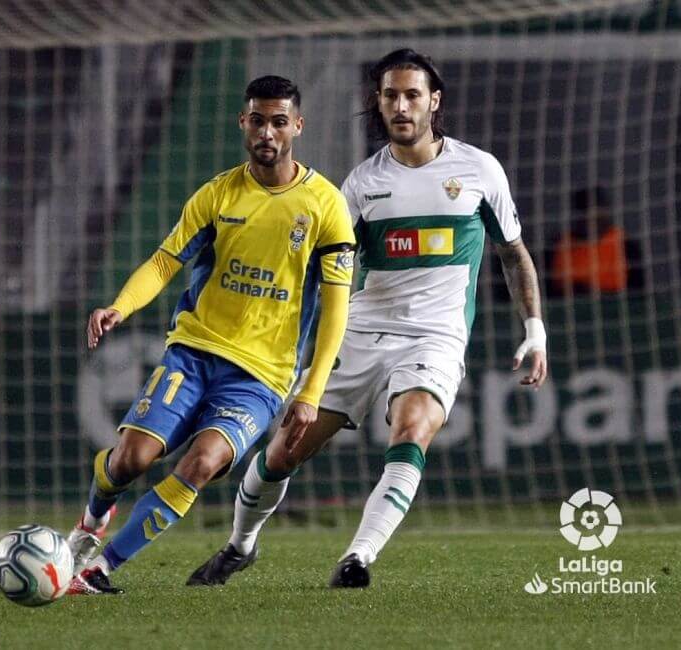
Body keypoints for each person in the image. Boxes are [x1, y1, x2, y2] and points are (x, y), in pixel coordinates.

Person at [187, 49, 549, 589]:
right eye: (389, 96)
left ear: (434, 101)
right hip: (360, 332)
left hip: (435, 336)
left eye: (411, 95)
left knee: (413, 428)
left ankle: (357, 559)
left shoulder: (478, 170)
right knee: (283, 452)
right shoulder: (359, 185)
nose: (400, 106)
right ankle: (240, 547)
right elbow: (324, 271)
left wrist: (535, 330)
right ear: (377, 103)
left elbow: (513, 253)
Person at [66, 75, 356, 595]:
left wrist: (310, 392)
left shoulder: (326, 206)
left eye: (279, 122)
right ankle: (90, 522)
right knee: (131, 460)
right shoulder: (218, 194)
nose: (268, 132)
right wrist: (120, 306)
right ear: (243, 123)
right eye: (258, 121)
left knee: (201, 464)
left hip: (261, 377)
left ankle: (100, 568)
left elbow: (336, 311)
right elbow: (163, 262)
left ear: (297, 127)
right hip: (193, 355)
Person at [547, 186, 643, 295]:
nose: (592, 219)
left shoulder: (624, 244)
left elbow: (638, 293)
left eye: (598, 213)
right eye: (586, 213)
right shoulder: (561, 246)